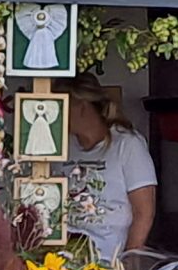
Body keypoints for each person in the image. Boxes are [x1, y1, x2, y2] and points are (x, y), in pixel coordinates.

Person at [63, 78, 158, 259]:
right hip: (64, 256)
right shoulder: (63, 145)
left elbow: (144, 212)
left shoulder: (128, 144)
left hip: (109, 257)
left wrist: (128, 261)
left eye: (60, 106)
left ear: (81, 107)